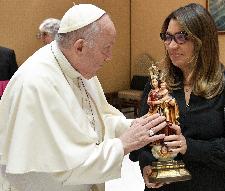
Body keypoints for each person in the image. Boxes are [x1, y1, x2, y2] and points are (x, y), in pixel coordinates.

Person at [0, 4, 167, 191]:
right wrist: (122, 144)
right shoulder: (36, 83)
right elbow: (63, 167)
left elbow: (96, 122)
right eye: (106, 48)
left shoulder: (77, 68)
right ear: (79, 46)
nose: (109, 57)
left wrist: (133, 127)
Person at [129, 3, 225, 191]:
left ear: (202, 40)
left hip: (210, 184)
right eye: (168, 37)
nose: (171, 45)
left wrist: (190, 147)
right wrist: (146, 166)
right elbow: (141, 141)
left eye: (181, 37)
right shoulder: (157, 85)